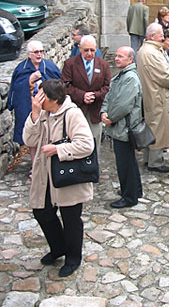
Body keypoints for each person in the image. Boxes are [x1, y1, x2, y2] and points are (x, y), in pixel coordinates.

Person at [23, 79, 94, 277]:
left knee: (71, 219)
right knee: (41, 211)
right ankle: (58, 247)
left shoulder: (73, 114)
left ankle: (73, 258)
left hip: (67, 178)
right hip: (45, 176)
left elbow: (87, 145)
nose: (37, 98)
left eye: (41, 95)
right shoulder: (43, 113)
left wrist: (58, 149)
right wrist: (35, 114)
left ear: (53, 99)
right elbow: (28, 140)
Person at [7, 40, 61, 172]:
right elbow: (16, 89)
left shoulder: (50, 67)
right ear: (29, 54)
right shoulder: (22, 68)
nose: (39, 54)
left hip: (47, 109)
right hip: (29, 109)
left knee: (49, 136)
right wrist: (29, 80)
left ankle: (48, 166)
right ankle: (35, 166)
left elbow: (59, 86)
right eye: (36, 52)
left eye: (41, 51)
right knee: (33, 138)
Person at [101, 47, 143, 209]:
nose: (116, 58)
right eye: (116, 55)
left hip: (124, 128)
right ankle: (135, 190)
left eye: (120, 56)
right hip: (120, 126)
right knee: (128, 161)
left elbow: (123, 105)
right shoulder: (122, 76)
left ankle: (129, 196)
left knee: (125, 163)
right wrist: (104, 112)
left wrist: (110, 118)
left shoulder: (130, 78)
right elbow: (110, 97)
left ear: (130, 59)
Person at [136, 23, 169, 173]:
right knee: (158, 128)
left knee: (152, 125)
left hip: (152, 94)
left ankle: (149, 158)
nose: (163, 37)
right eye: (160, 34)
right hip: (158, 96)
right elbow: (165, 76)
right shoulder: (152, 53)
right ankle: (155, 162)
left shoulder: (146, 50)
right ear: (152, 36)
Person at [62, 35, 111, 157]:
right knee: (76, 141)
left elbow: (108, 87)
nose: (89, 53)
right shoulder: (70, 64)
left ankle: (94, 169)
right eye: (86, 50)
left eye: (92, 50)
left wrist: (95, 95)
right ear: (79, 48)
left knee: (95, 141)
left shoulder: (103, 65)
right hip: (76, 109)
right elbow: (65, 86)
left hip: (95, 110)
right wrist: (82, 95)